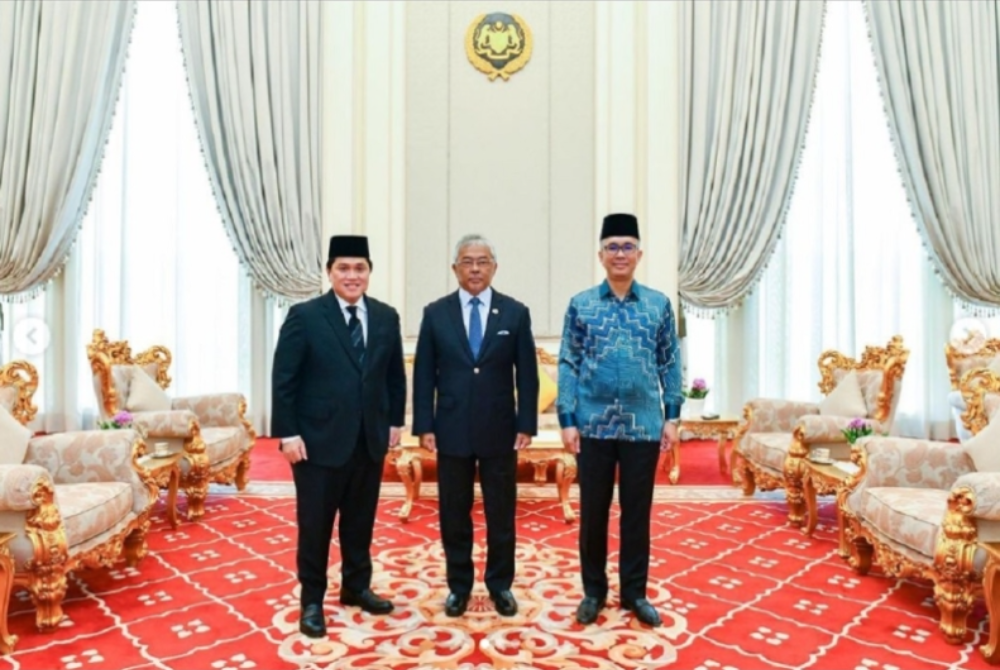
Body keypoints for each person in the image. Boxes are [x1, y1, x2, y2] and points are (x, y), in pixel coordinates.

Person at [271, 235, 407, 639]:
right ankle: (311, 600)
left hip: (368, 441)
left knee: (360, 521)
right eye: (343, 268)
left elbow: (394, 376)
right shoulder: (305, 315)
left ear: (369, 272)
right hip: (316, 443)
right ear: (329, 272)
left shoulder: (385, 317)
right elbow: (284, 380)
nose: (352, 276)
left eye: (359, 268)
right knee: (315, 526)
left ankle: (356, 586)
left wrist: (395, 421)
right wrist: (288, 433)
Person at [557, 213, 683, 627]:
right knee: (593, 512)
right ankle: (593, 591)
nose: (620, 254)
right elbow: (569, 362)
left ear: (639, 254)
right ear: (601, 255)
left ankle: (635, 592)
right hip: (593, 425)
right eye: (612, 246)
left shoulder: (659, 305)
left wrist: (673, 416)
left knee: (636, 513)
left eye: (628, 246)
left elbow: (669, 363)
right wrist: (567, 417)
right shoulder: (581, 305)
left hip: (643, 424)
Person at [412, 234, 539, 618]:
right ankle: (459, 586)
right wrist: (424, 424)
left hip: (500, 429)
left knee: (501, 513)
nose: (475, 269)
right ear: (455, 269)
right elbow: (423, 375)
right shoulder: (436, 313)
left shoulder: (515, 313)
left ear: (494, 267)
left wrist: (527, 423)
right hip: (450, 431)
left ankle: (500, 585)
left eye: (482, 261)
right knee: (454, 513)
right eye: (467, 261)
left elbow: (528, 375)